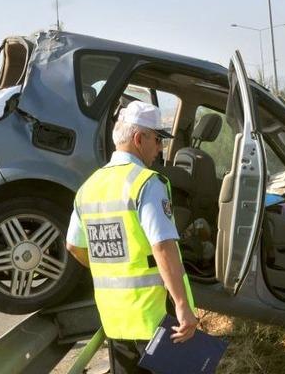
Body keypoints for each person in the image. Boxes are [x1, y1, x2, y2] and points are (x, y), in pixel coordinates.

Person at [66, 101, 197, 374]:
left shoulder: (88, 188)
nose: (160, 147)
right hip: (156, 318)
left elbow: (74, 246)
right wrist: (182, 305)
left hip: (116, 319)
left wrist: (110, 268)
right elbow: (162, 246)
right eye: (158, 139)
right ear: (139, 139)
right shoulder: (146, 183)